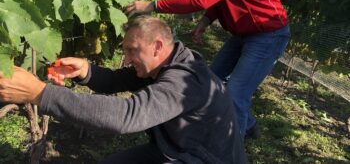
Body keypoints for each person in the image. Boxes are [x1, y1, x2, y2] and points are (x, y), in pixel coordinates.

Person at [0, 15, 247, 164]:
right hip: (176, 149)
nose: (126, 59)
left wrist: (41, 94)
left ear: (157, 46)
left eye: (132, 50)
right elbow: (119, 80)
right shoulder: (164, 64)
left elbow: (125, 116)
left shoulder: (185, 81)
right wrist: (86, 70)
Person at [126, 0, 290, 139]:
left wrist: (154, 4)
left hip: (268, 35)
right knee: (212, 79)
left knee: (235, 93)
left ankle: (231, 151)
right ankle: (248, 126)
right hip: (243, 35)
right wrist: (205, 21)